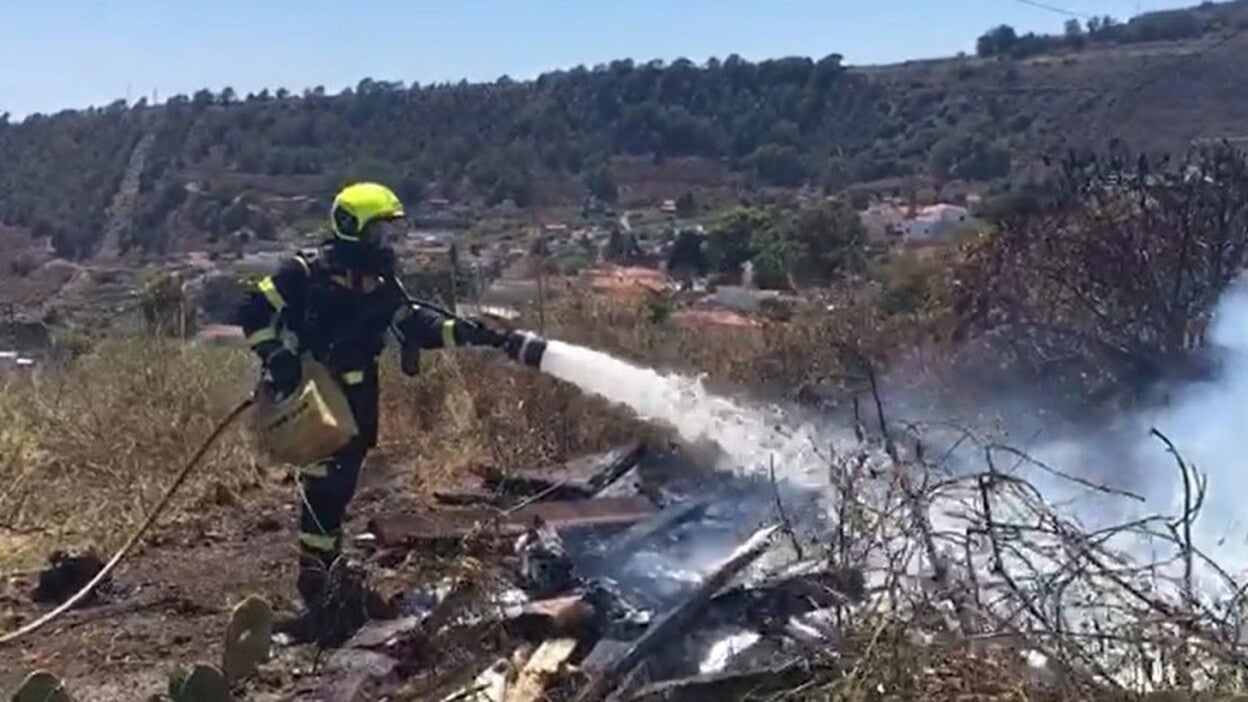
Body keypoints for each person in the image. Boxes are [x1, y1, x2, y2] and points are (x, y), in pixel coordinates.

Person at [235, 182, 521, 643]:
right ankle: (318, 592)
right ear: (353, 229)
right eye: (378, 232)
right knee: (323, 494)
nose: (386, 243)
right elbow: (251, 312)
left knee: (340, 491)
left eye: (389, 233)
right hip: (317, 400)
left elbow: (414, 324)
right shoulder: (303, 274)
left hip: (359, 403)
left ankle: (329, 576)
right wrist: (278, 357)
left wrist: (471, 333)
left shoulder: (383, 285)